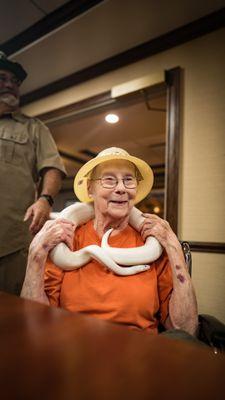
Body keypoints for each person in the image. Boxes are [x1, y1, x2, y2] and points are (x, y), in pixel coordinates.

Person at [21, 147, 198, 337]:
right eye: (109, 180)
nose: (121, 188)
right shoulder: (67, 238)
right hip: (74, 350)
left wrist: (173, 246)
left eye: (128, 180)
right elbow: (35, 321)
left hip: (141, 354)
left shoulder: (153, 242)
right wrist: (36, 254)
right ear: (90, 188)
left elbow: (184, 329)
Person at [0, 52, 66, 296]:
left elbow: (52, 167)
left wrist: (45, 199)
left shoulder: (34, 128)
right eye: (2, 77)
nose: (10, 85)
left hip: (12, 242)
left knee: (10, 317)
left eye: (15, 82)